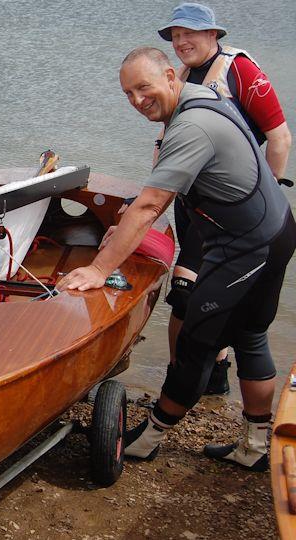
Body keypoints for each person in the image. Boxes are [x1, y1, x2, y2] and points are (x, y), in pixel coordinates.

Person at [58, 47, 295, 471]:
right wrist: (130, 219)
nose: (136, 100)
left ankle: (148, 437)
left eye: (143, 88)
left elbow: (151, 205)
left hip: (246, 243)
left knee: (196, 343)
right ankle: (256, 447)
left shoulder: (191, 127)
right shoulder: (204, 96)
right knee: (250, 335)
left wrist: (99, 268)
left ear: (170, 76)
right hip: (275, 227)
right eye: (127, 93)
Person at [157, 2, 292, 395]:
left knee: (211, 300)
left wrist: (267, 194)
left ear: (213, 34)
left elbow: (280, 137)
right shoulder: (181, 75)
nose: (181, 42)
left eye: (190, 34)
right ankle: (197, 377)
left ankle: (201, 379)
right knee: (185, 297)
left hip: (234, 211)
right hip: (195, 205)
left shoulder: (241, 71)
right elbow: (166, 142)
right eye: (175, 36)